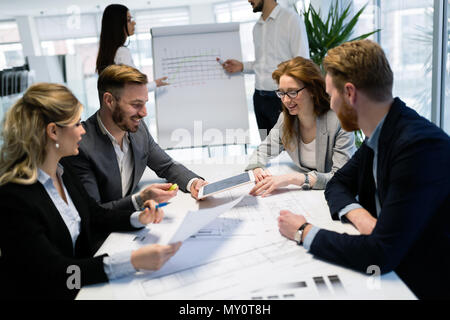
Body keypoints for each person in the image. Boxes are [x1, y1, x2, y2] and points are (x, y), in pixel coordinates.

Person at [277, 40, 450, 299]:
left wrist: (304, 231)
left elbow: (381, 254)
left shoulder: (418, 147)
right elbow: (337, 183)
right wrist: (361, 217)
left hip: (419, 283)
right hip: (393, 272)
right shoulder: (380, 132)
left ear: (349, 93)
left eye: (330, 94)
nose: (330, 104)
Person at [0, 83, 182, 299]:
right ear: (53, 131)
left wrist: (139, 218)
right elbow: (56, 275)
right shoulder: (14, 198)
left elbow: (95, 215)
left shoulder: (63, 170)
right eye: (76, 124)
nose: (83, 130)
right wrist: (132, 261)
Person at [62, 64, 207, 247]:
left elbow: (166, 165)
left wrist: (194, 183)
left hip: (134, 229)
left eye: (145, 103)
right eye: (136, 104)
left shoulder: (137, 130)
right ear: (109, 100)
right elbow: (94, 213)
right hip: (103, 241)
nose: (144, 113)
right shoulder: (79, 146)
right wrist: (140, 200)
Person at [246, 56, 355, 196]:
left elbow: (342, 177)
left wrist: (293, 178)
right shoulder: (286, 119)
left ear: (312, 90)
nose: (285, 100)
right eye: (282, 93)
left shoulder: (340, 121)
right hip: (308, 196)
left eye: (292, 92)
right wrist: (257, 169)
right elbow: (262, 151)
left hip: (338, 195)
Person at [220, 0, 310, 140]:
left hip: (282, 100)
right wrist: (242, 66)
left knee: (290, 150)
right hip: (259, 99)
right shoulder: (257, 27)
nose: (248, 0)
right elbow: (263, 63)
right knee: (268, 150)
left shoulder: (291, 19)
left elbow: (302, 63)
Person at [95, 4, 168, 90]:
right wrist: (155, 84)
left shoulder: (108, 54)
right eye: (129, 20)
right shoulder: (121, 52)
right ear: (117, 25)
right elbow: (134, 89)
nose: (134, 23)